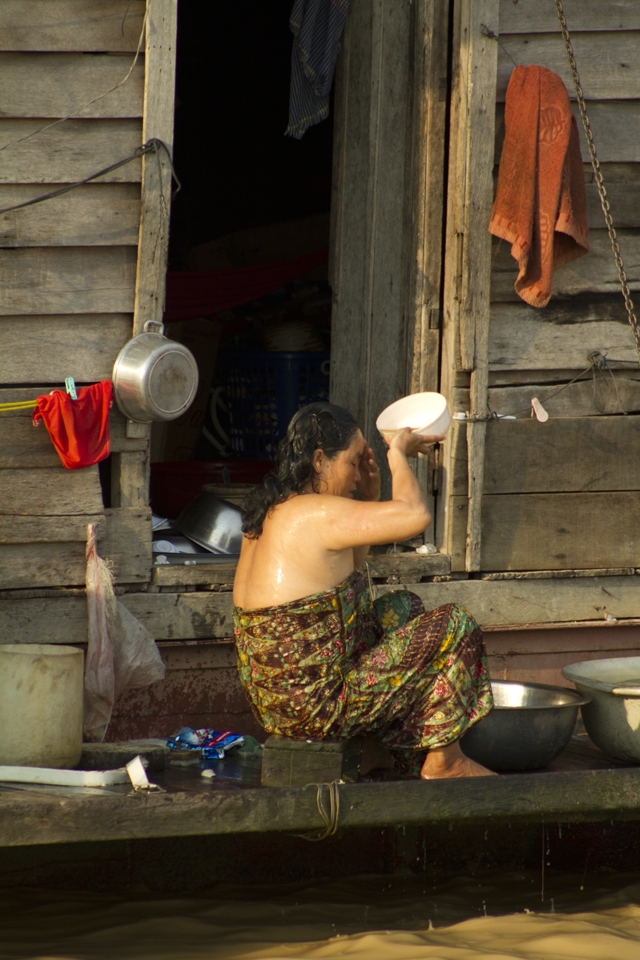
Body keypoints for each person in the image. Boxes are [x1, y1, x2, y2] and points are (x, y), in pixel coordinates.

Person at [233, 402, 495, 779]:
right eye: (353, 462)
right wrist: (397, 454)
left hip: (279, 706)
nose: (357, 476)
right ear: (319, 460)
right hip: (318, 707)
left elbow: (347, 569)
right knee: (455, 623)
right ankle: (446, 761)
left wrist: (370, 498)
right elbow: (415, 515)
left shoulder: (271, 512)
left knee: (402, 608)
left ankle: (391, 753)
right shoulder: (312, 512)